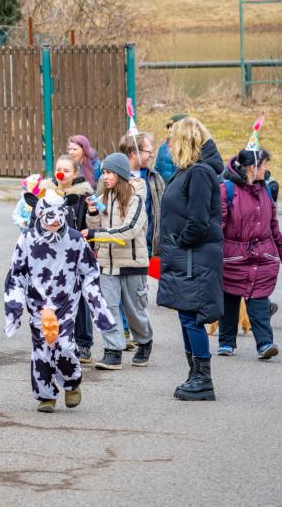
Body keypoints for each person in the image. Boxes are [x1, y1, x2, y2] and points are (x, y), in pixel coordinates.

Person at [3, 181, 116, 412]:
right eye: (49, 216)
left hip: (66, 302)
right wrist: (14, 307)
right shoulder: (27, 239)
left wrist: (97, 306)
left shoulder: (75, 239)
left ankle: (72, 382)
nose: (54, 221)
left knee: (64, 344)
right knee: (42, 348)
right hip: (38, 304)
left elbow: (90, 272)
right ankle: (46, 395)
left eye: (59, 216)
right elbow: (16, 273)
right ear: (39, 214)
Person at [156, 116, 224, 402]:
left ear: (184, 142)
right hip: (187, 254)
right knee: (186, 314)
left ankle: (203, 379)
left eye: (172, 140)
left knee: (192, 315)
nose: (169, 145)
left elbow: (198, 219)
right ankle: (194, 373)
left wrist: (181, 241)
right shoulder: (188, 171)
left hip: (193, 255)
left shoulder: (199, 173)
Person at [87, 153, 154, 369]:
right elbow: (95, 226)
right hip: (107, 264)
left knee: (135, 312)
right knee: (107, 308)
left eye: (109, 173)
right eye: (103, 173)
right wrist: (92, 213)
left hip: (132, 264)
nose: (105, 177)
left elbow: (129, 230)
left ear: (121, 174)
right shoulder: (103, 197)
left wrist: (96, 233)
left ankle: (144, 340)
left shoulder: (136, 199)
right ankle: (112, 351)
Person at [218, 148, 281, 360]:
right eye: (264, 165)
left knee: (259, 299)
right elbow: (217, 226)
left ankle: (265, 344)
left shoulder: (265, 189)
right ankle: (226, 342)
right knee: (230, 297)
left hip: (262, 255)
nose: (266, 169)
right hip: (233, 254)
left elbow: (273, 226)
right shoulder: (226, 190)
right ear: (252, 168)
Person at [52, 153, 100, 362]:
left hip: (77, 255)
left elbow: (91, 223)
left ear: (75, 173)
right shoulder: (48, 194)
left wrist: (92, 212)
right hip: (52, 256)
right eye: (58, 169)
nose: (61, 174)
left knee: (80, 301)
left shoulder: (84, 196)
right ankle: (57, 340)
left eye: (66, 170)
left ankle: (83, 343)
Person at [119, 132, 165, 254]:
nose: (152, 155)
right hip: (123, 248)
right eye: (148, 152)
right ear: (134, 153)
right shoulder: (114, 178)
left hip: (148, 247)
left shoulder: (154, 178)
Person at [155, 115, 187, 183]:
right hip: (165, 187)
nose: (169, 130)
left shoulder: (189, 149)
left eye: (172, 126)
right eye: (168, 127)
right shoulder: (163, 147)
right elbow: (157, 169)